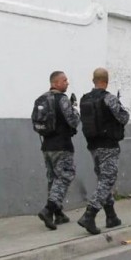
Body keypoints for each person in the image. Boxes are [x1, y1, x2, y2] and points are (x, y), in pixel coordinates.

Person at [78, 67, 130, 234]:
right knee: (107, 179)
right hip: (108, 145)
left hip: (93, 145)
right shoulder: (109, 98)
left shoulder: (84, 99)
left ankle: (111, 216)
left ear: (93, 80)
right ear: (106, 82)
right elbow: (124, 117)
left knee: (103, 179)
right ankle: (89, 215)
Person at [34, 71, 80, 230]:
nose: (67, 82)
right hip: (62, 145)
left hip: (47, 145)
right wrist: (75, 109)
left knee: (53, 179)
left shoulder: (41, 99)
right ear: (55, 83)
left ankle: (58, 213)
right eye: (64, 80)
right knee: (65, 176)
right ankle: (49, 210)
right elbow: (73, 121)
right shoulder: (62, 99)